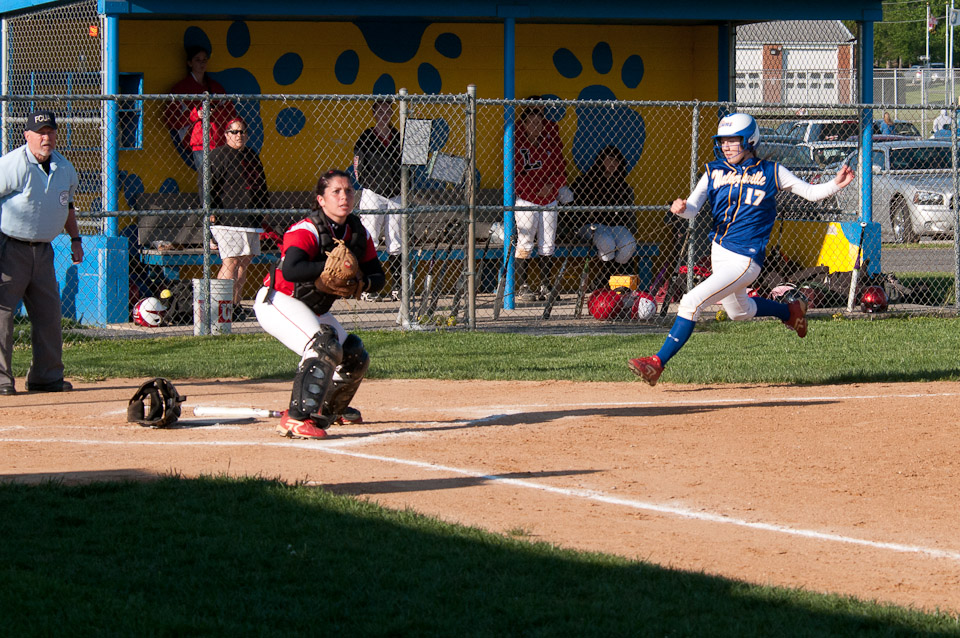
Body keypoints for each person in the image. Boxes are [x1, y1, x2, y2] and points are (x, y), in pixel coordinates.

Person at [627, 113, 855, 387]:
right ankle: (790, 312)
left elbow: (810, 192)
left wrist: (835, 184)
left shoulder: (771, 171)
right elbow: (693, 209)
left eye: (733, 140)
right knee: (739, 311)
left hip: (746, 258)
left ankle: (657, 363)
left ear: (750, 141)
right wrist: (681, 208)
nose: (726, 146)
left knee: (691, 301)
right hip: (719, 251)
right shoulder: (713, 171)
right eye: (723, 141)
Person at [253, 170, 386, 439]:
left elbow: (378, 276)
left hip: (313, 308)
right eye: (335, 191)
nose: (344, 196)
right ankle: (296, 417)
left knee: (354, 355)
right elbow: (291, 269)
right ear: (321, 200)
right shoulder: (307, 229)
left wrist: (361, 283)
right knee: (322, 346)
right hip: (279, 300)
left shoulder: (358, 233)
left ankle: (328, 410)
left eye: (348, 191)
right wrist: (328, 268)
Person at [0, 110, 82, 396]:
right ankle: (1, 379)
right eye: (40, 133)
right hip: (9, 247)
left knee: (49, 314)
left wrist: (75, 239)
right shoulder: (13, 164)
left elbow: (67, 206)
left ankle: (46, 377)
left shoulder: (64, 168)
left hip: (44, 250)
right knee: (2, 314)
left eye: (50, 132)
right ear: (27, 136)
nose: (46, 138)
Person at [209, 117, 269, 316]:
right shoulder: (218, 156)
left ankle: (235, 306)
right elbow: (208, 187)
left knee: (244, 263)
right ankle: (219, 309)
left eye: (242, 131)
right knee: (231, 262)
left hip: (249, 218)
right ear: (226, 135)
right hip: (227, 220)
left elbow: (261, 185)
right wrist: (211, 211)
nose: (239, 135)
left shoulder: (251, 156)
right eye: (234, 132)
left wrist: (264, 211)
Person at [513, 96, 568, 302]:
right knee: (525, 241)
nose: (536, 126)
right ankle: (523, 286)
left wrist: (552, 186)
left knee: (547, 242)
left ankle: (545, 285)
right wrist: (537, 189)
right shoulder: (516, 138)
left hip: (549, 197)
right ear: (525, 122)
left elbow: (560, 167)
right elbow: (515, 174)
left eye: (539, 121)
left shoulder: (550, 138)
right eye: (531, 122)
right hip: (526, 198)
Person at [163, 45, 237, 192]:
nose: (202, 64)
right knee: (207, 180)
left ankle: (215, 205)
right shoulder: (180, 89)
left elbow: (231, 113)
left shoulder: (215, 87)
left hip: (219, 141)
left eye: (204, 60)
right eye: (197, 60)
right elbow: (170, 120)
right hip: (198, 142)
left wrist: (215, 113)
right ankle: (207, 206)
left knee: (222, 181)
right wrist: (195, 115)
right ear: (189, 63)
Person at [568, 145, 638, 289]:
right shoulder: (586, 181)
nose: (613, 164)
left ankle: (606, 277)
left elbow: (629, 215)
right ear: (601, 160)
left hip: (615, 227)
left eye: (616, 161)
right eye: (609, 159)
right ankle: (606, 280)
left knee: (629, 244)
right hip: (590, 226)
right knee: (607, 242)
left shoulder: (622, 186)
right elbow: (571, 208)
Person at [354, 98, 401, 301]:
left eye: (388, 111)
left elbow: (408, 163)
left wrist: (400, 184)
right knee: (370, 238)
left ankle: (398, 287)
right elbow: (359, 169)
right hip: (374, 193)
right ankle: (368, 286)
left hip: (395, 193)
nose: (384, 115)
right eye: (380, 112)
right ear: (374, 114)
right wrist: (374, 183)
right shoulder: (366, 137)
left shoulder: (397, 136)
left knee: (396, 240)